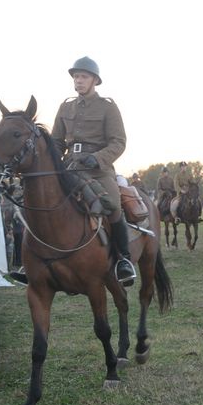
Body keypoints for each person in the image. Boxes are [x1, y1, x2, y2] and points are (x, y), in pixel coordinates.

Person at [51, 56, 135, 285]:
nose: (78, 80)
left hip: (98, 169)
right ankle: (38, 260)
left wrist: (96, 158)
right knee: (43, 198)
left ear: (95, 80)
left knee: (113, 204)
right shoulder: (65, 106)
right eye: (76, 76)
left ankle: (123, 260)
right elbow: (56, 142)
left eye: (83, 76)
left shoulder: (108, 107)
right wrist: (53, 160)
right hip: (69, 167)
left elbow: (119, 142)